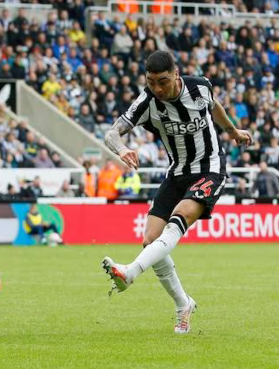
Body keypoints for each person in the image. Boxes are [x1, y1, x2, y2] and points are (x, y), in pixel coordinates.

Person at [101, 51, 252, 334]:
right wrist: (121, 149)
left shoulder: (199, 87)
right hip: (177, 173)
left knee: (179, 217)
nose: (157, 88)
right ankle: (183, 304)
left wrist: (232, 131)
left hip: (210, 168)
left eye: (163, 81)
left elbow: (214, 105)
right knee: (150, 240)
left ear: (176, 74)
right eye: (151, 82)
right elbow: (112, 133)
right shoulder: (147, 101)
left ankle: (130, 272)